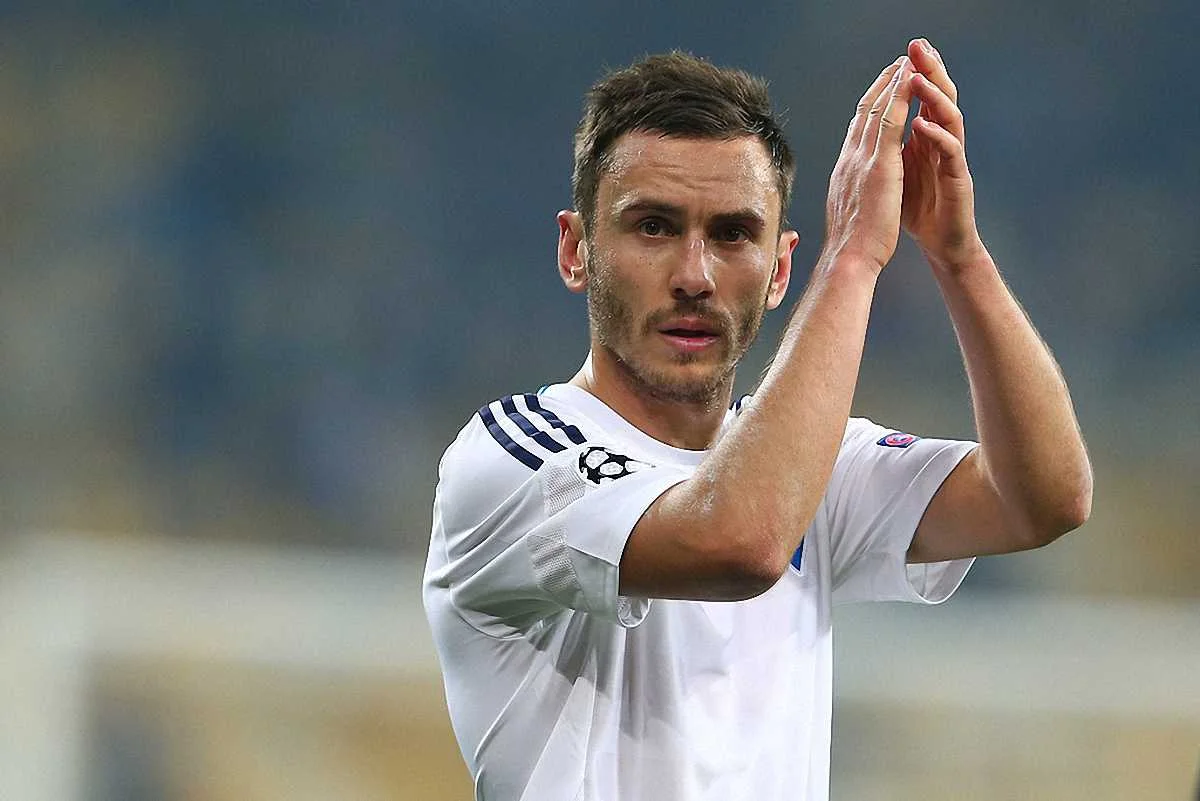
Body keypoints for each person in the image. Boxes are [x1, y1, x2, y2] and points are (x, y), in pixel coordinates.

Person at [423, 39, 1092, 801]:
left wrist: (959, 255)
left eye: (733, 233)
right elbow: (740, 542)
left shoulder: (806, 462)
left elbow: (1043, 498)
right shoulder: (513, 458)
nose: (694, 276)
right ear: (577, 251)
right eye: (653, 226)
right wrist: (852, 258)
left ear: (779, 270)